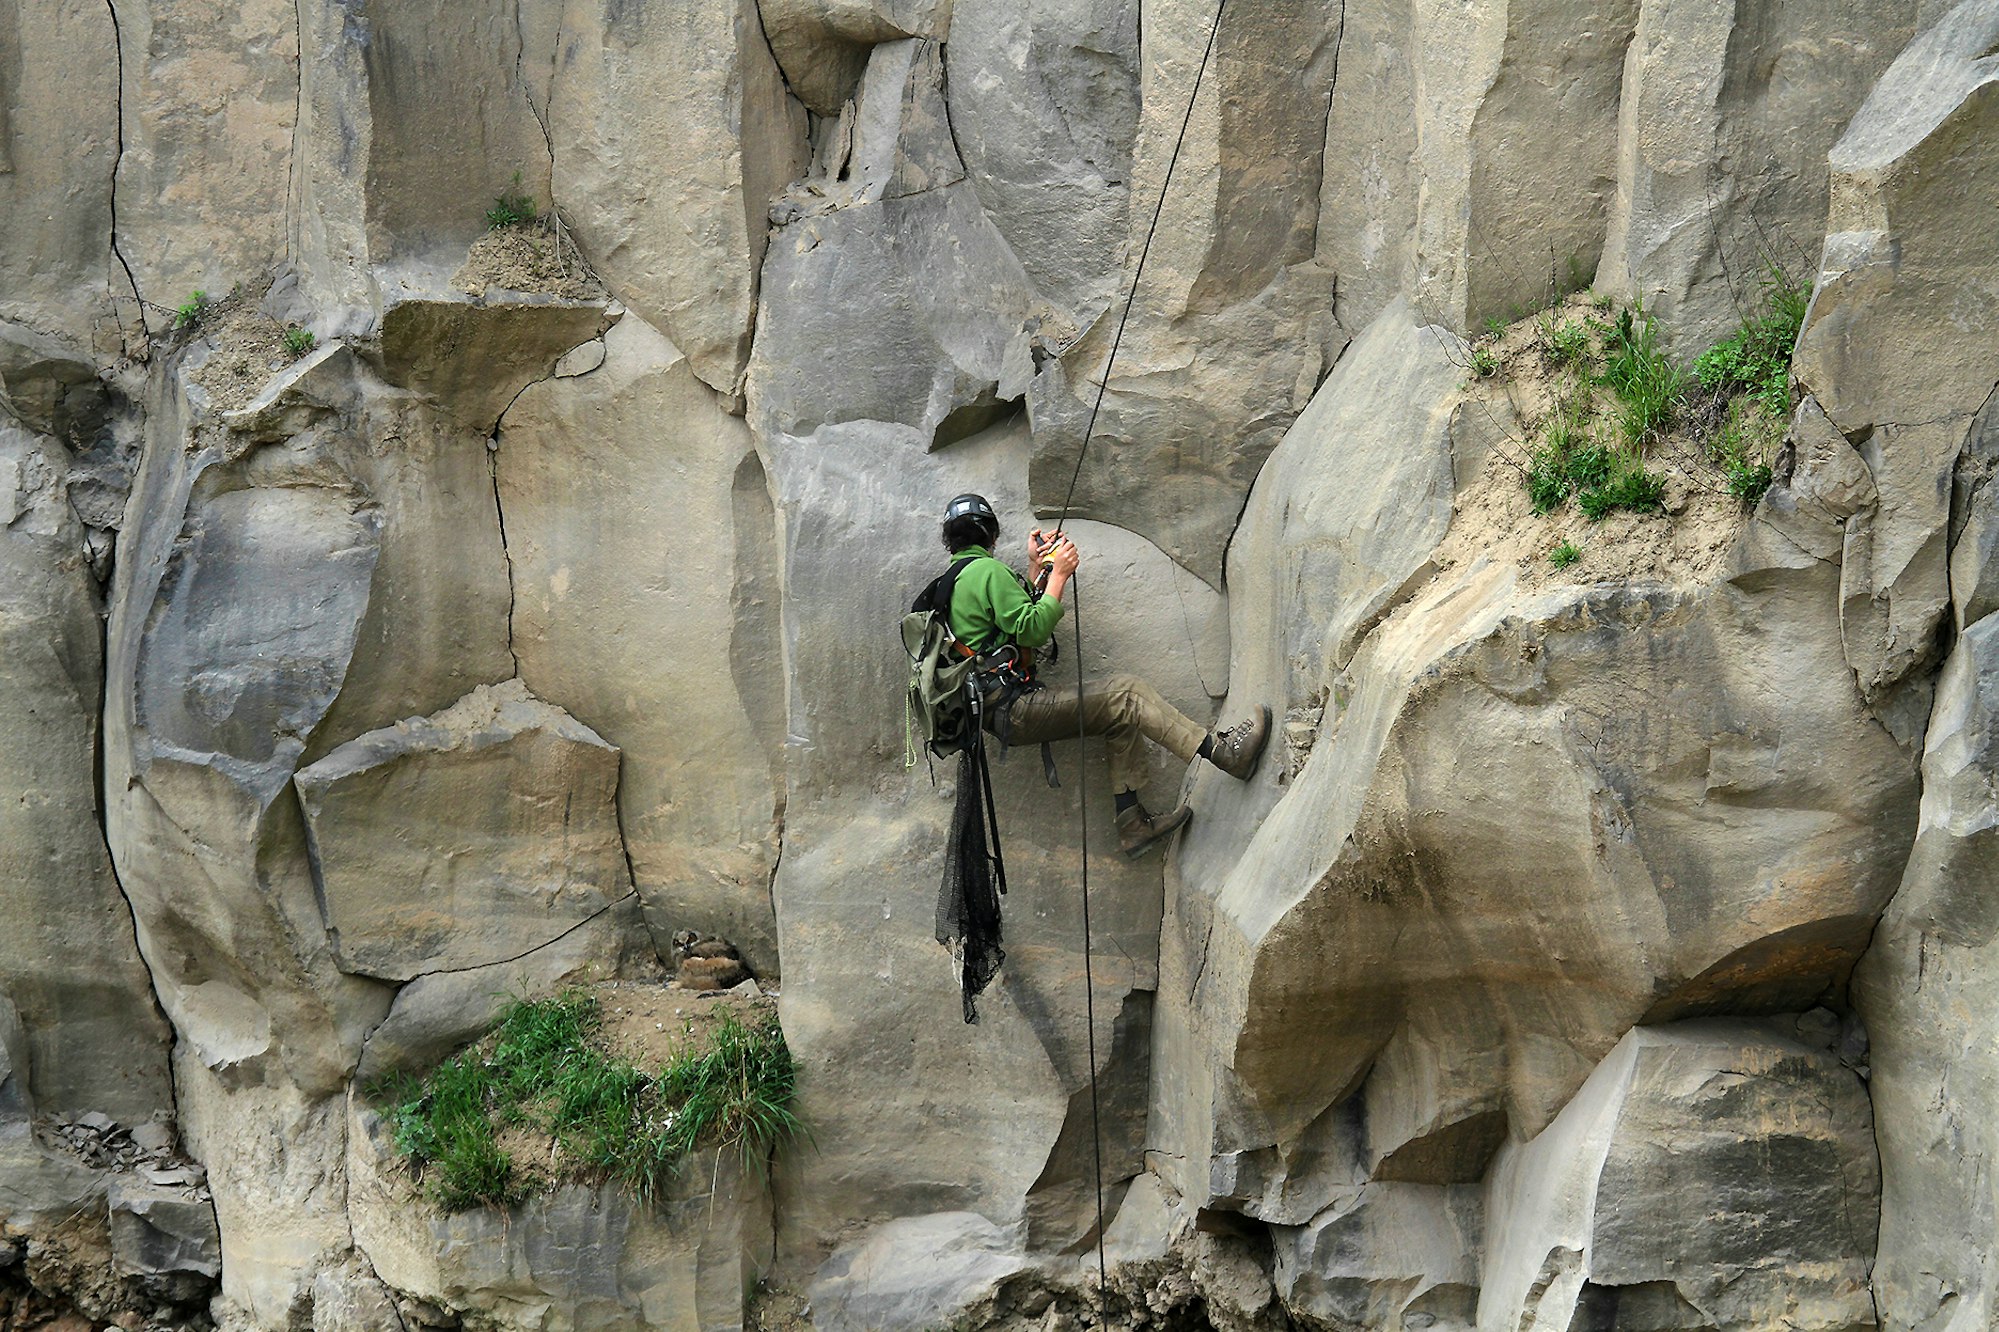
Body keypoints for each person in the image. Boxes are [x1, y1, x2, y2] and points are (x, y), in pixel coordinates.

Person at [933, 493, 1270, 857]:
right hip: (1016, 707)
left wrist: (1036, 570)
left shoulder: (951, 582)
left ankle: (1132, 825)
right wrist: (1058, 574)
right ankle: (1225, 755)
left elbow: (1007, 628)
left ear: (951, 539)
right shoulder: (987, 572)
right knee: (1126, 694)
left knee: (1116, 716)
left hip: (997, 712)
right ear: (992, 535)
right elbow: (1032, 631)